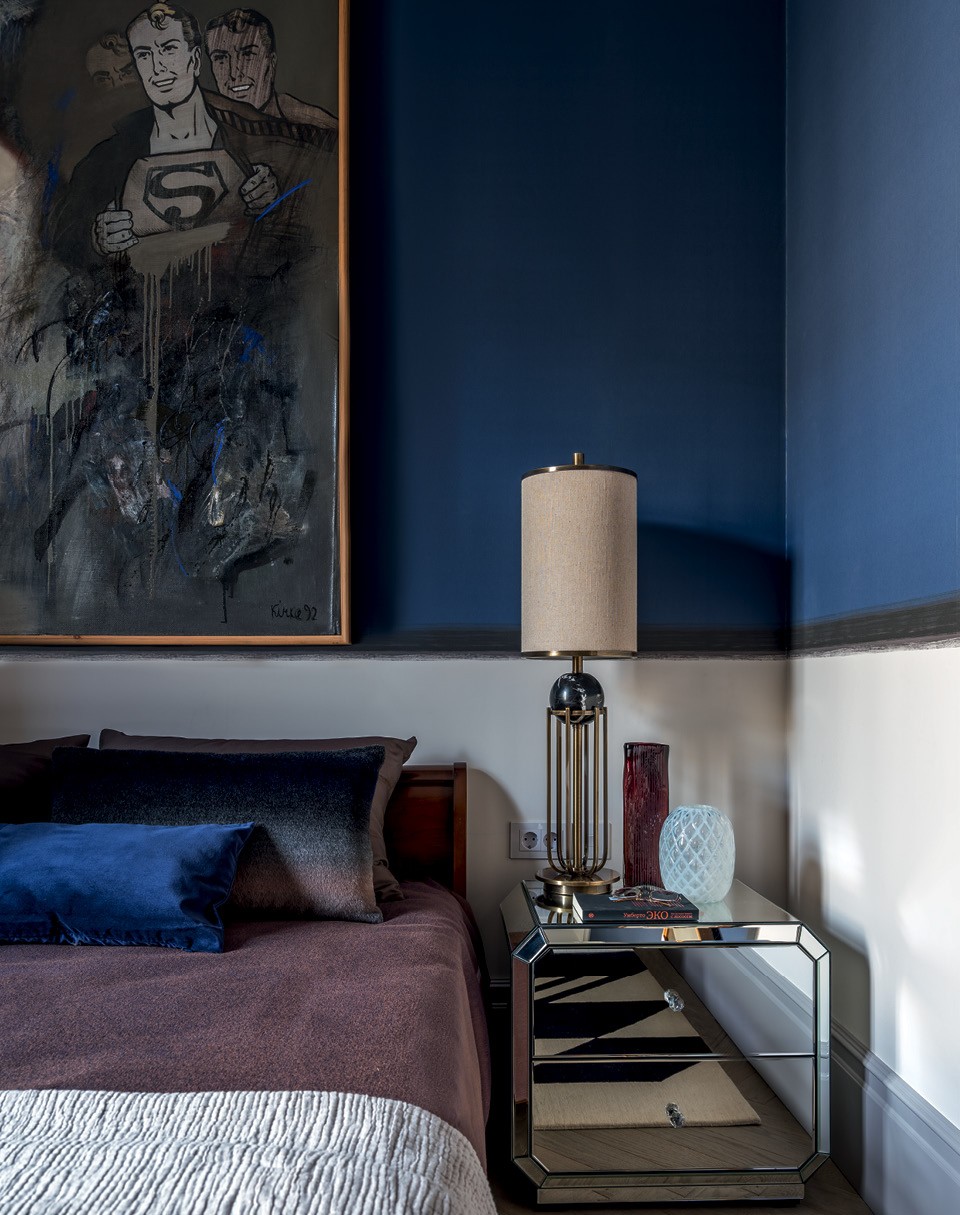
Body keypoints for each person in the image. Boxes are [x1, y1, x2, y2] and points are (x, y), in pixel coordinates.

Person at [50, 3, 279, 265]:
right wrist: (96, 239)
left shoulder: (251, 139)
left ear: (195, 60)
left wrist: (273, 200)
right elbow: (62, 240)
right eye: (144, 55)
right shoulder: (105, 160)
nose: (157, 67)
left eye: (168, 49)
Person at [205, 9, 337, 132]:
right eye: (220, 58)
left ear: (271, 62)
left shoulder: (317, 128)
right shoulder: (205, 126)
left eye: (248, 55)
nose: (234, 73)